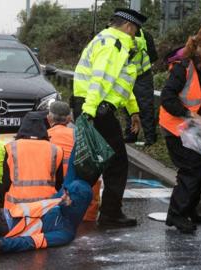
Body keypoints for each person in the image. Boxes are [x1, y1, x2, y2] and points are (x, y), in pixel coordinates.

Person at [71, 8, 145, 227]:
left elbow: (118, 83)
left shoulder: (104, 39)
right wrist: (90, 110)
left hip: (92, 105)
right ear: (129, 27)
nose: (135, 37)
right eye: (135, 32)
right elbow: (100, 79)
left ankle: (71, 207)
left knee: (92, 162)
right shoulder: (115, 44)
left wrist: (133, 110)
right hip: (96, 107)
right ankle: (109, 214)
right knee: (115, 162)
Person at [159, 23, 201, 233]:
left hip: (193, 126)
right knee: (192, 169)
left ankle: (189, 208)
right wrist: (191, 115)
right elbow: (167, 98)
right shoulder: (182, 65)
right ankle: (175, 215)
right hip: (174, 126)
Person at [47, 101, 101, 221]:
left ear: (49, 118)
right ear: (69, 119)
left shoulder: (45, 137)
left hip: (57, 195)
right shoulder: (81, 136)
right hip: (82, 196)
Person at [2, 112, 64, 209]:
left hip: (16, 207)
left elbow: (6, 182)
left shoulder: (12, 147)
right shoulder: (56, 150)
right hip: (46, 206)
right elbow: (59, 182)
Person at [124, 29, 158, 145]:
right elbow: (153, 56)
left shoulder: (119, 36)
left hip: (131, 75)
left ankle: (132, 135)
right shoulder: (146, 35)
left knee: (131, 104)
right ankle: (149, 137)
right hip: (142, 75)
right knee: (143, 106)